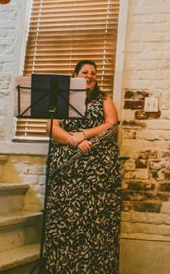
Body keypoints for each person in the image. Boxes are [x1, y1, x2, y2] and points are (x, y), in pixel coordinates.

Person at [43, 60, 121, 273]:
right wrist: (73, 140)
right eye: (85, 72)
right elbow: (51, 126)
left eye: (93, 73)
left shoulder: (104, 98)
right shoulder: (63, 97)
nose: (90, 76)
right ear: (75, 74)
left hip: (98, 170)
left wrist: (85, 134)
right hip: (67, 171)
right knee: (66, 219)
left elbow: (112, 125)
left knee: (95, 221)